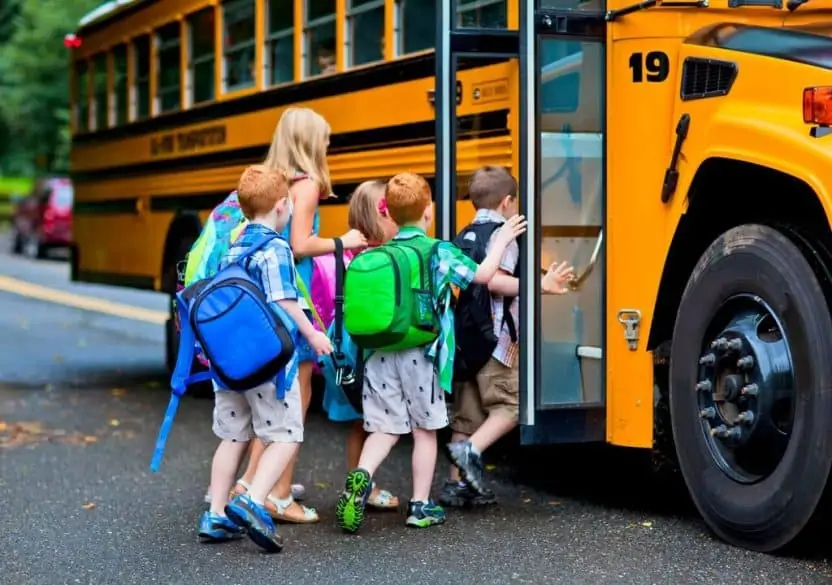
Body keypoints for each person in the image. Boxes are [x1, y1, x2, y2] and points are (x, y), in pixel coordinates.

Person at [334, 173, 527, 532]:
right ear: (429, 212)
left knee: (385, 430)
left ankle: (361, 475)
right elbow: (483, 276)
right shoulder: (438, 251)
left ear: (388, 214)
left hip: (379, 354)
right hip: (421, 355)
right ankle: (420, 506)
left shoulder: (379, 252)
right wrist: (500, 240)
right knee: (425, 431)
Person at [234, 107, 367, 524]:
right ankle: (276, 495)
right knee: (296, 395)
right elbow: (298, 244)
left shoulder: (272, 179)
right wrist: (341, 240)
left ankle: (250, 483)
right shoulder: (306, 184)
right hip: (296, 291)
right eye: (325, 140)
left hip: (263, 295)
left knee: (274, 397)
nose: (328, 147)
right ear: (310, 142)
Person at [203, 165, 333, 553]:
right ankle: (253, 500)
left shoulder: (233, 243)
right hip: (268, 363)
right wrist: (312, 333)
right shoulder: (275, 247)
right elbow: (282, 300)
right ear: (282, 205)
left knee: (233, 436)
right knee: (286, 434)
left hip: (228, 362)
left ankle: (215, 512)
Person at [440, 166, 575, 507]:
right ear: (508, 201)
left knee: (467, 416)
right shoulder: (506, 233)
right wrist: (540, 285)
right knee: (511, 406)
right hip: (496, 342)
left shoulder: (465, 234)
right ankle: (469, 453)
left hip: (466, 340)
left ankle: (456, 486)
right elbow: (497, 281)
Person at [319, 180, 400, 510]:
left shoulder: (350, 253)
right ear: (381, 216)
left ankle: (357, 482)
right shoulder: (379, 258)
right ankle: (366, 483)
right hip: (367, 348)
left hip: (342, 344)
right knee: (377, 420)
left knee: (358, 421)